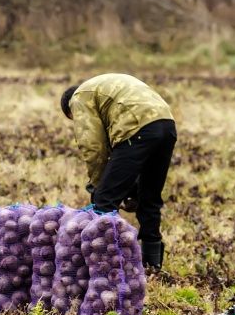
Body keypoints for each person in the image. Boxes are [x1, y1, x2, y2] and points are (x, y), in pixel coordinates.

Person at [61, 73, 177, 270]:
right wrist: (131, 189)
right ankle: (153, 263)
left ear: (70, 109)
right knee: (149, 197)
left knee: (104, 201)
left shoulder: (79, 98)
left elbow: (94, 147)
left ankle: (103, 262)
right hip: (166, 125)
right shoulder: (103, 89)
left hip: (136, 127)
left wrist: (99, 186)